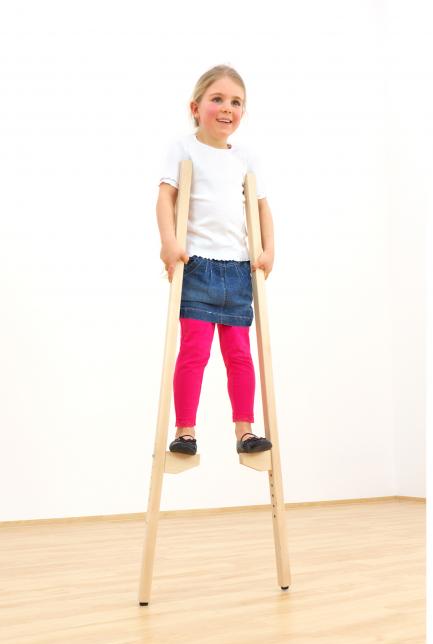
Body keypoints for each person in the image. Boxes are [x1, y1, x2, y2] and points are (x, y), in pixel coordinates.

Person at [156, 64, 275, 457]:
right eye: (217, 99)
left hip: (238, 269)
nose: (227, 108)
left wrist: (268, 248)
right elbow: (166, 198)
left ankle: (245, 430)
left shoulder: (246, 157)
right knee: (195, 351)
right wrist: (169, 242)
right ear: (195, 107)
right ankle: (185, 430)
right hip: (198, 266)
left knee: (240, 354)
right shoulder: (184, 148)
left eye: (236, 102)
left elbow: (261, 207)